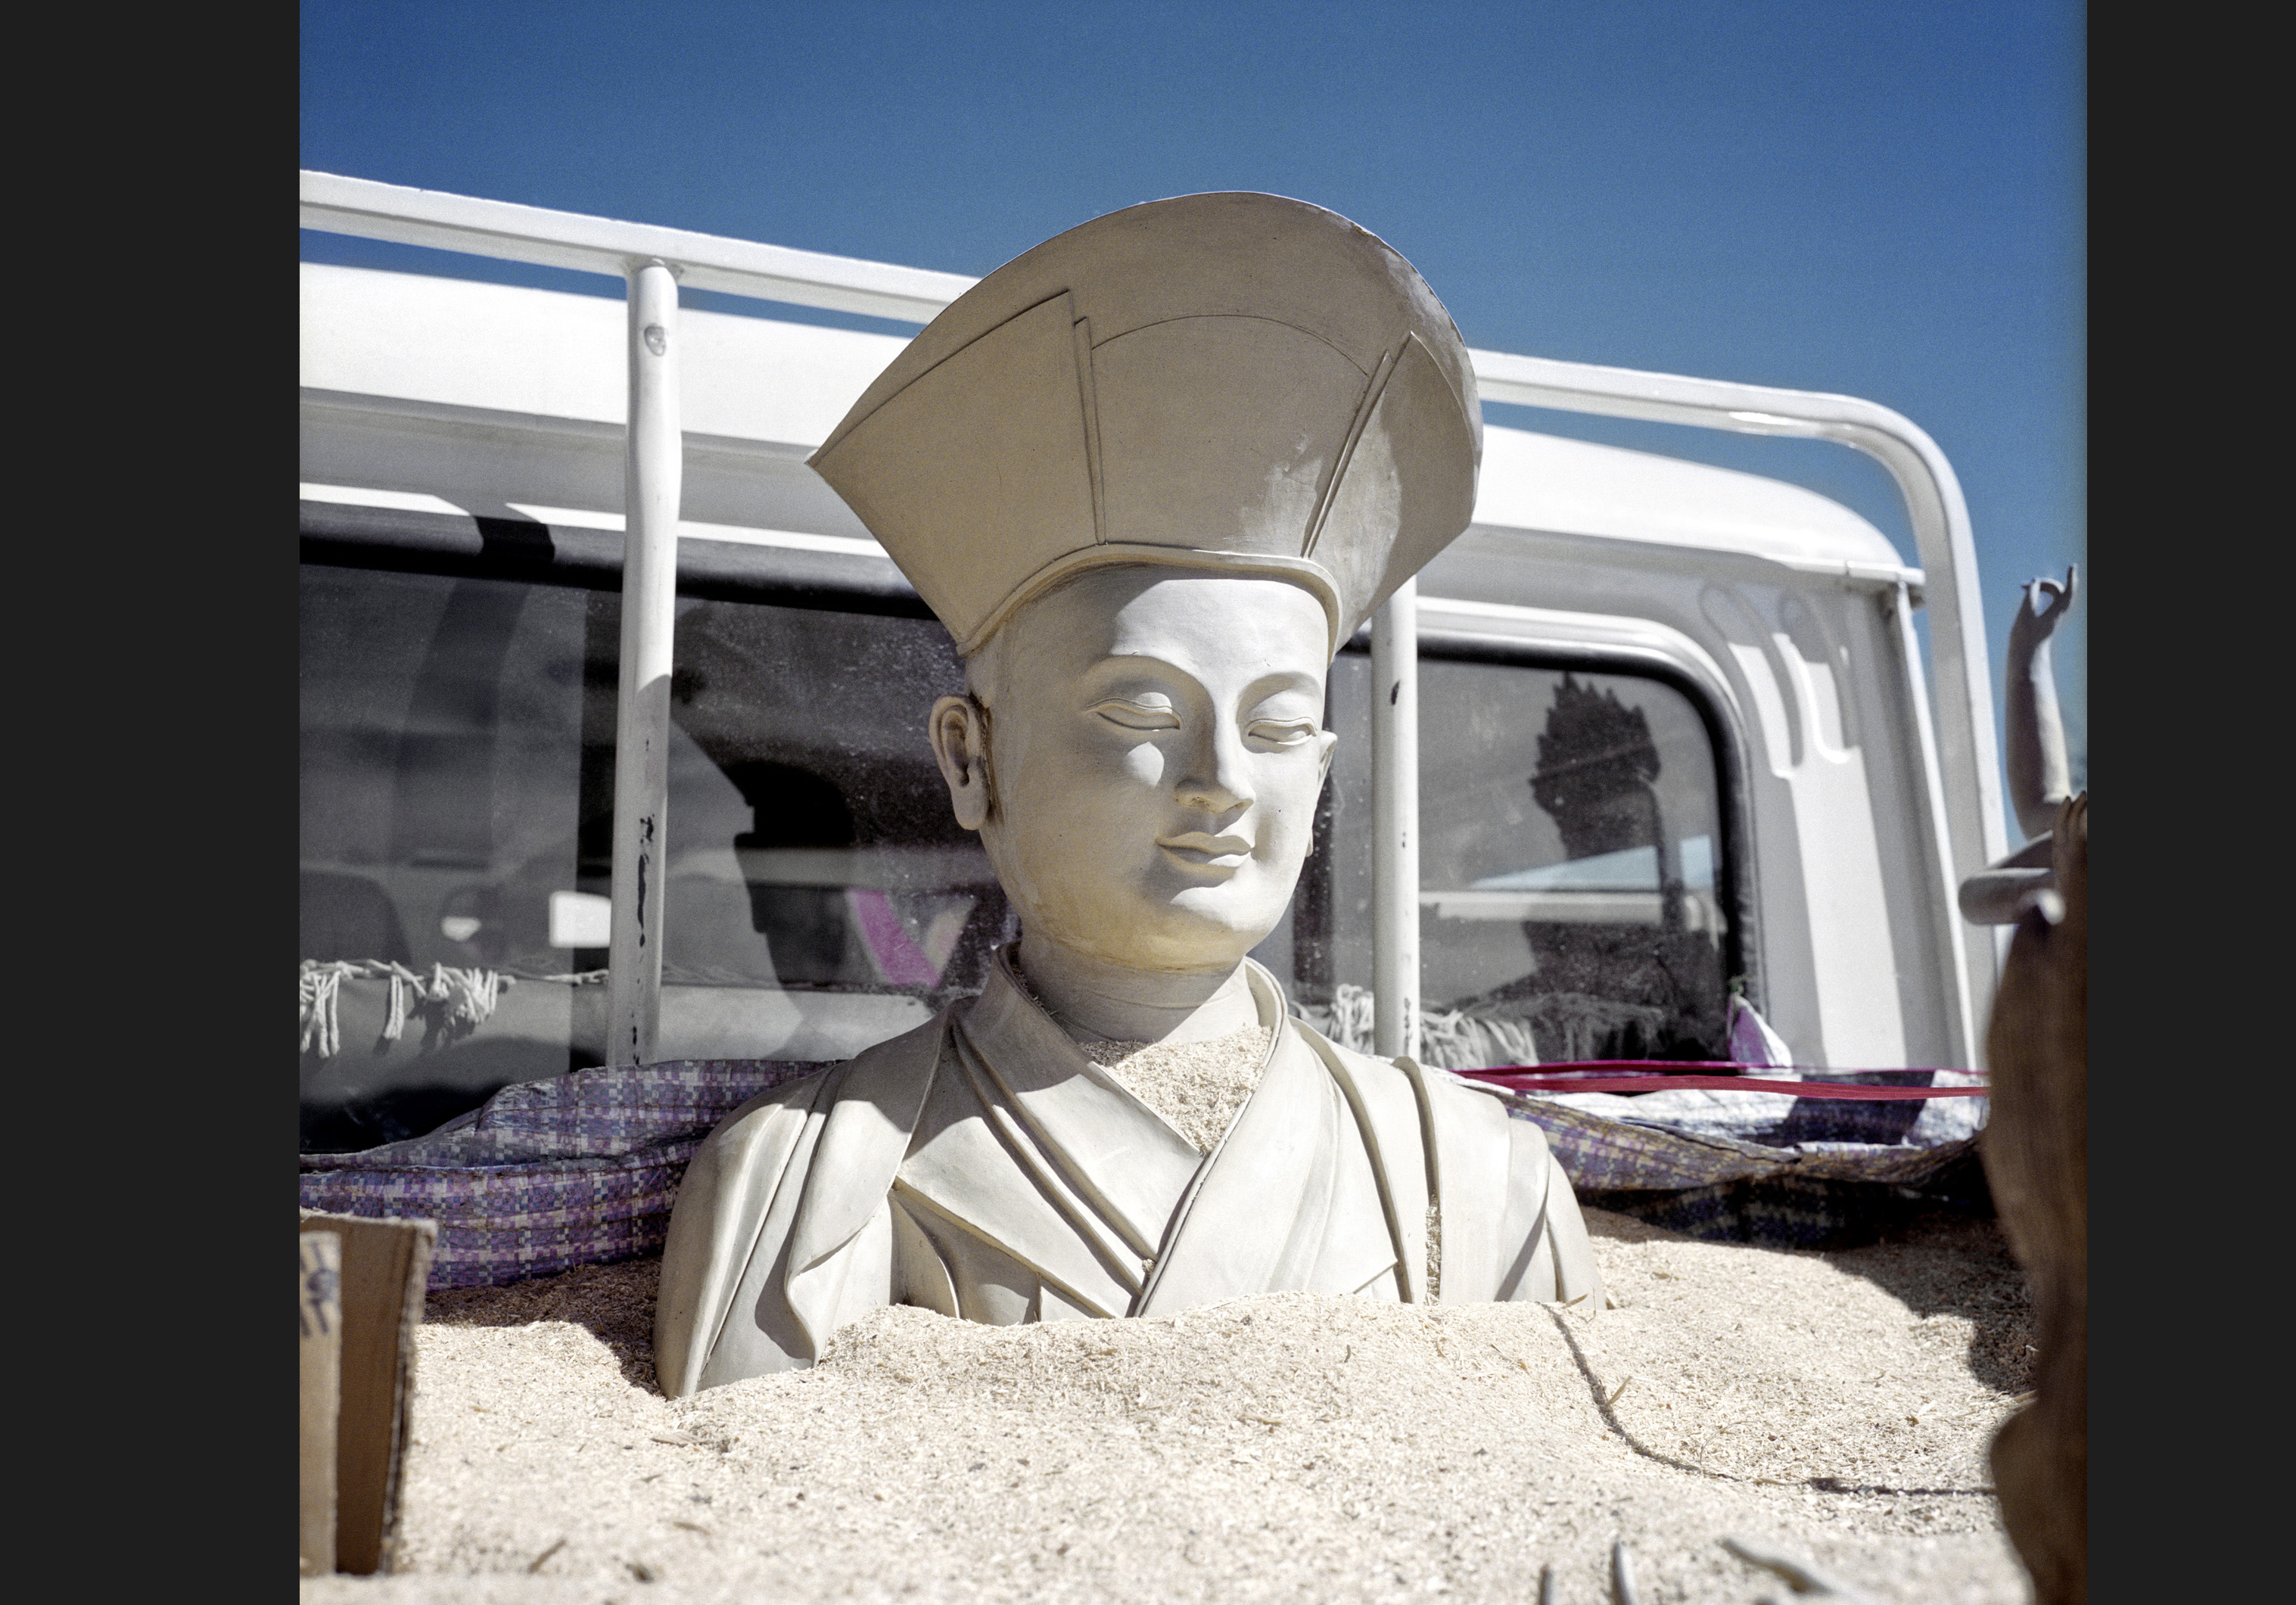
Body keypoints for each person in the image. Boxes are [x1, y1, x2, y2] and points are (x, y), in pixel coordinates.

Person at [655, 193, 1598, 1395]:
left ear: (1321, 770)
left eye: (1277, 726)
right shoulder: (804, 1183)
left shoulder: (1479, 1181)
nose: (1222, 782)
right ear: (970, 760)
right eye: (1144, 714)